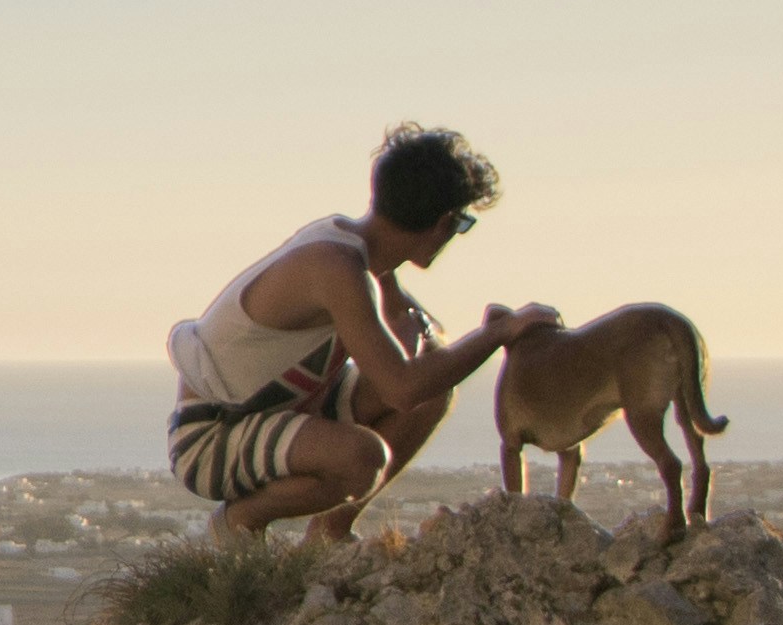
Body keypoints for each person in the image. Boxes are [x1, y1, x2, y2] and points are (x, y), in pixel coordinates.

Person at [168, 124, 553, 546]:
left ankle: (329, 533)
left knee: (434, 395)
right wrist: (497, 334)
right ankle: (240, 521)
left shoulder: (359, 253)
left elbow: (410, 340)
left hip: (282, 409)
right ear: (442, 223)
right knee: (363, 459)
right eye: (461, 223)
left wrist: (423, 335)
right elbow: (402, 386)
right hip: (212, 436)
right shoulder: (338, 268)